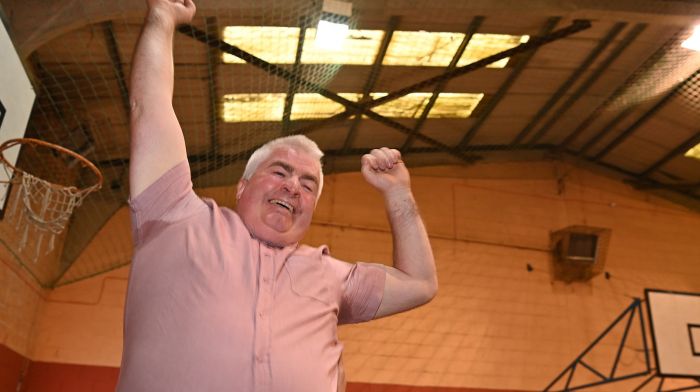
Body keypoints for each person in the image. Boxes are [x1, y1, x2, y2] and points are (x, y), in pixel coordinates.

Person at [117, 0, 437, 391]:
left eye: (308, 184)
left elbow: (420, 283)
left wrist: (398, 193)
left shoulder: (330, 275)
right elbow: (149, 108)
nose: (292, 187)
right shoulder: (175, 217)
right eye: (280, 172)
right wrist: (163, 18)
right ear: (242, 186)